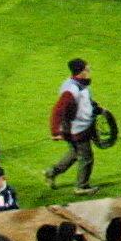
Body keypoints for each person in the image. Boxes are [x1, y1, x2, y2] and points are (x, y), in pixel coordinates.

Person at [45, 58, 100, 193]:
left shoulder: (79, 84)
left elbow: (84, 102)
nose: (89, 71)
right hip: (77, 129)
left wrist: (94, 107)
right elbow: (58, 110)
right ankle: (81, 186)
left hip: (79, 126)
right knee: (86, 157)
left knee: (75, 153)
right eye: (87, 69)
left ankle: (51, 172)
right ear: (81, 72)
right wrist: (55, 132)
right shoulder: (72, 89)